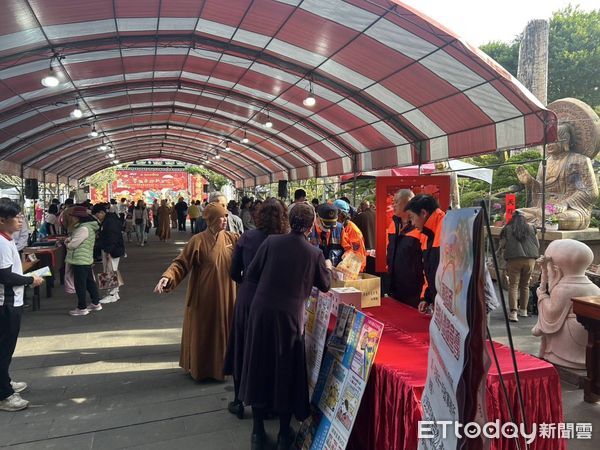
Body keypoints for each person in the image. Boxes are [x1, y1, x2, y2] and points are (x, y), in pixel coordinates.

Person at [239, 203, 332, 450]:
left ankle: (258, 433)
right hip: (290, 319)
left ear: (289, 221)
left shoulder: (271, 243)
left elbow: (251, 272)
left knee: (259, 365)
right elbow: (325, 285)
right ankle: (283, 435)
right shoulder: (314, 253)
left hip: (262, 313)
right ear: (312, 225)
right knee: (285, 370)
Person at [154, 203, 239, 381]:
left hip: (228, 295)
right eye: (220, 217)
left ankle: (224, 368)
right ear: (211, 220)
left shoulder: (233, 238)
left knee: (226, 330)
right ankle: (203, 369)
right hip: (205, 296)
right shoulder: (198, 240)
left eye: (225, 216)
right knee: (204, 332)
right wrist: (167, 276)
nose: (225, 220)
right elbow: (181, 263)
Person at [224, 198, 289, 419]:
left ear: (258, 215)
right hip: (276, 301)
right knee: (268, 351)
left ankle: (238, 400)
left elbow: (233, 272)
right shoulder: (285, 240)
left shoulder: (247, 237)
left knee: (241, 346)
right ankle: (269, 401)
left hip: (248, 298)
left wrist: (246, 280)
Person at [0, 199, 43, 412]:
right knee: (3, 349)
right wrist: (30, 280)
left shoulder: (7, 240)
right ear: (1, 220)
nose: (20, 220)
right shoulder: (0, 243)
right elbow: (5, 276)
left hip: (12, 300)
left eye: (21, 215)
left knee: (6, 348)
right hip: (5, 303)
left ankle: (4, 382)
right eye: (16, 217)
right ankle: (4, 395)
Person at [516, 122, 598, 230]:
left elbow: (590, 192)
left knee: (559, 219)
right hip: (545, 209)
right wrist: (530, 182)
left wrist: (565, 203)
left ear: (565, 141)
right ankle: (539, 222)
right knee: (516, 214)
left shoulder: (579, 161)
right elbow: (541, 191)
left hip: (572, 210)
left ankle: (539, 222)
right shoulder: (544, 163)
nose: (548, 144)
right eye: (547, 141)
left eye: (553, 140)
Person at [404, 194, 445, 314]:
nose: (412, 223)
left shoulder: (447, 227)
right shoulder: (427, 234)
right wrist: (426, 297)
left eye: (412, 217)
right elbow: (429, 271)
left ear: (423, 213)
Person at [386, 189, 424, 308]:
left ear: (408, 202)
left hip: (413, 291)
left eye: (396, 201)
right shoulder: (393, 224)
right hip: (394, 286)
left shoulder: (419, 227)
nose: (393, 204)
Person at [499, 211, 539, 321]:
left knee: (513, 285)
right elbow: (537, 244)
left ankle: (513, 313)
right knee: (525, 285)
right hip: (530, 259)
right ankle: (524, 311)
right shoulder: (532, 228)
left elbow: (502, 245)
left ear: (513, 219)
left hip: (514, 259)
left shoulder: (508, 229)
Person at [64, 206, 102, 316]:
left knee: (80, 284)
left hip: (79, 260)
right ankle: (95, 302)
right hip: (85, 259)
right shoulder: (86, 227)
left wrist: (67, 243)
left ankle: (82, 307)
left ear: (78, 218)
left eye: (73, 217)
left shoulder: (83, 228)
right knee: (90, 282)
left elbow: (73, 245)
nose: (72, 219)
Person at [93, 203, 125, 304]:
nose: (97, 217)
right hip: (112, 249)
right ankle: (114, 293)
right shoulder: (109, 220)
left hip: (111, 250)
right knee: (111, 270)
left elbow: (112, 238)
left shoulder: (109, 222)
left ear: (102, 212)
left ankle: (111, 294)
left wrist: (108, 251)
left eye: (97, 215)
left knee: (109, 271)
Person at [333, 199, 367, 272]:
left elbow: (358, 254)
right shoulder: (338, 227)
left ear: (340, 214)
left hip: (354, 271)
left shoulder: (353, 230)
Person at [309, 203, 345, 267]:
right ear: (317, 218)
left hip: (334, 272)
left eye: (332, 226)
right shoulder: (309, 231)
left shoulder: (340, 229)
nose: (329, 229)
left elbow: (348, 249)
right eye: (326, 225)